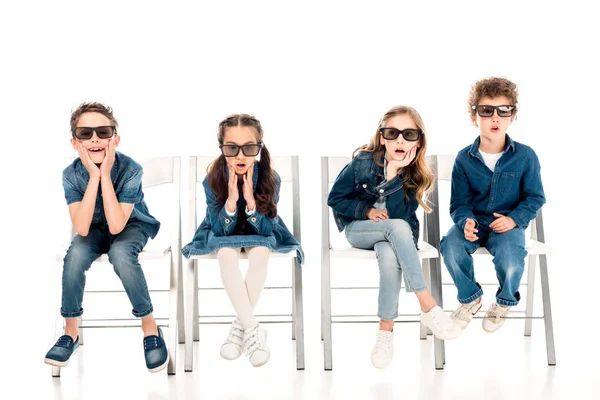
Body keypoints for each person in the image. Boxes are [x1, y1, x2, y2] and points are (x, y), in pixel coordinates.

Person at [327, 105, 461, 369]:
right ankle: (428, 305)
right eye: (392, 132)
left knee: (390, 254)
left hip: (395, 237)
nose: (400, 139)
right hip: (360, 230)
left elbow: (399, 215)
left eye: (409, 134)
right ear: (381, 137)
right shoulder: (362, 162)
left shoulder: (416, 173)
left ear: (419, 140)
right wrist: (365, 210)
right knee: (396, 229)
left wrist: (394, 176)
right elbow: (335, 198)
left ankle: (385, 331)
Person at [44, 102, 168, 372]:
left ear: (115, 139)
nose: (95, 139)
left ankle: (150, 328)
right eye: (85, 133)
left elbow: (116, 225)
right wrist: (93, 177)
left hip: (130, 225)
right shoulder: (71, 175)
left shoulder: (131, 169)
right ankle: (70, 332)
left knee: (121, 254)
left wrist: (106, 176)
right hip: (92, 227)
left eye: (103, 132)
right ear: (75, 142)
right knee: (75, 254)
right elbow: (83, 229)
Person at [182, 113, 304, 368]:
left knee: (260, 252)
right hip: (222, 232)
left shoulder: (271, 178)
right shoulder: (212, 178)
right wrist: (230, 199)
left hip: (260, 230)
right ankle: (254, 330)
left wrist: (250, 202)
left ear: (259, 146)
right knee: (226, 254)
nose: (240, 156)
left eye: (248, 148)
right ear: (222, 148)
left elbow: (267, 227)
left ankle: (241, 329)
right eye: (231, 148)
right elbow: (219, 230)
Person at [440, 77, 546, 333]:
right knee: (450, 245)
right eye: (486, 111)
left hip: (507, 225)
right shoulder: (464, 159)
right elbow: (459, 202)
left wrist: (514, 219)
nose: (495, 118)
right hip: (474, 223)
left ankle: (504, 301)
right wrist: (464, 221)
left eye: (503, 110)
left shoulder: (525, 155)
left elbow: (535, 197)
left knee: (511, 258)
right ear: (473, 116)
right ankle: (470, 297)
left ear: (513, 115)